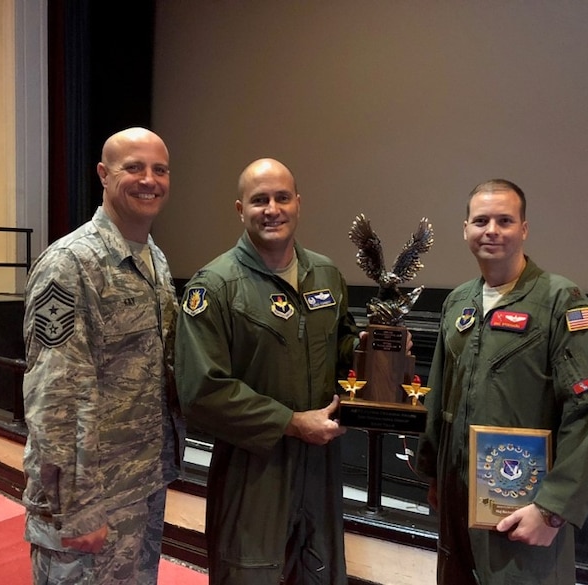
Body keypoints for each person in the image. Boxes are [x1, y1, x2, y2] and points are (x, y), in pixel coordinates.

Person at [417, 179, 588, 584]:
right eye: (481, 220)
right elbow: (439, 395)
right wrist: (435, 474)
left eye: (505, 220)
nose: (492, 230)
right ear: (465, 229)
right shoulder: (458, 302)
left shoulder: (561, 301)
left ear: (523, 228)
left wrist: (553, 508)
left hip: (525, 501)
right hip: (457, 497)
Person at [175, 158, 359, 585]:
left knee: (320, 572)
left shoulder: (327, 276)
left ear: (299, 203)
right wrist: (291, 423)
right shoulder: (215, 286)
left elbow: (342, 349)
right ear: (240, 209)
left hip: (319, 468)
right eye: (259, 200)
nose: (272, 209)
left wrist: (378, 353)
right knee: (248, 574)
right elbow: (202, 391)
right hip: (253, 471)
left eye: (281, 197)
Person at [22, 127, 183, 584]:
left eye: (159, 169)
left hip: (141, 482)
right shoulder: (69, 264)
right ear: (103, 174)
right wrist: (79, 506)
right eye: (133, 167)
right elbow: (55, 396)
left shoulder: (154, 258)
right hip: (90, 496)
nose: (148, 179)